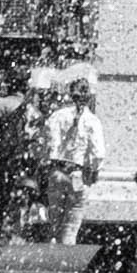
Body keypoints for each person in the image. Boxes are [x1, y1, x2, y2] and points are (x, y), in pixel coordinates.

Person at [37, 69, 107, 245]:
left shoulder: (57, 116)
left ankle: (49, 260)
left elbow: (47, 146)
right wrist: (93, 170)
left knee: (54, 224)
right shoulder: (92, 121)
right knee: (71, 227)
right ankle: (66, 262)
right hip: (77, 174)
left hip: (57, 172)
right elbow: (98, 153)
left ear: (70, 94)